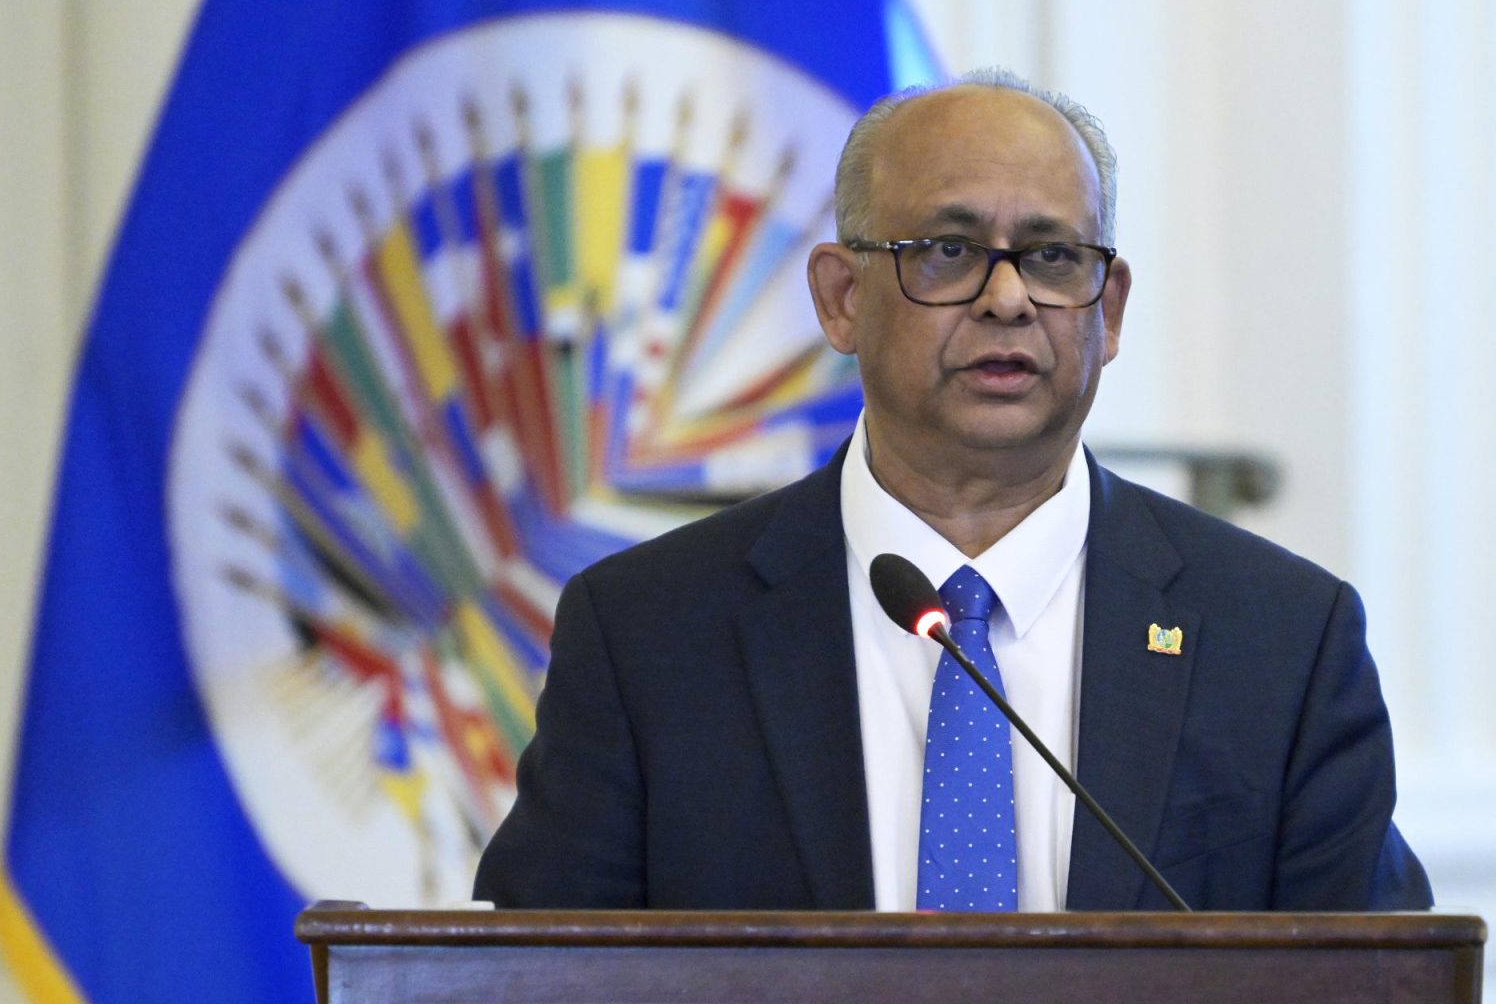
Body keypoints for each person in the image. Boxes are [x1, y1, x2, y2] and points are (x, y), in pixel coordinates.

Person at [473, 68, 1432, 912]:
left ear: (1110, 311)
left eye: (1055, 257)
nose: (1008, 298)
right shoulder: (647, 635)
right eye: (950, 250)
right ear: (842, 297)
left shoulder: (1282, 640)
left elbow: (1377, 977)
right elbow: (532, 977)